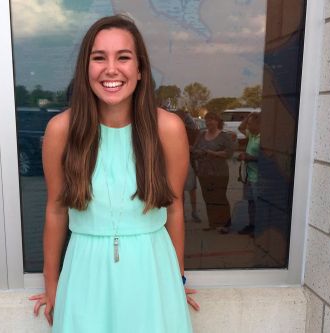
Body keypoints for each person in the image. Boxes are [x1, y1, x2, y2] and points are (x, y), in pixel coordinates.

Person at [30, 15, 199, 332]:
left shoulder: (168, 128)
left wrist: (176, 278)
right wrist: (52, 283)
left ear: (140, 70)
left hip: (152, 272)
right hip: (85, 274)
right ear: (86, 69)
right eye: (99, 58)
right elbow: (55, 210)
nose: (111, 69)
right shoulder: (61, 130)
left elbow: (174, 209)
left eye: (123, 57)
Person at [192, 111, 234, 232]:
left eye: (212, 119)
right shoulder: (201, 135)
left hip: (219, 172)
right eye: (207, 120)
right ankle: (213, 223)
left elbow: (229, 153)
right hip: (204, 172)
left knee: (219, 197)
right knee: (208, 198)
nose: (209, 122)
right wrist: (198, 153)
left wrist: (213, 153)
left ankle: (226, 224)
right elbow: (194, 150)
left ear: (218, 122)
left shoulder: (224, 136)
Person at [237, 112, 261, 236]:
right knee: (250, 203)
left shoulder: (263, 138)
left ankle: (259, 228)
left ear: (259, 124)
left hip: (258, 177)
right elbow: (240, 128)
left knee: (258, 205)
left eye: (251, 124)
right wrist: (249, 116)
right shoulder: (252, 135)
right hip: (249, 176)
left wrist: (249, 157)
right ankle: (252, 225)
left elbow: (265, 158)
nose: (248, 125)